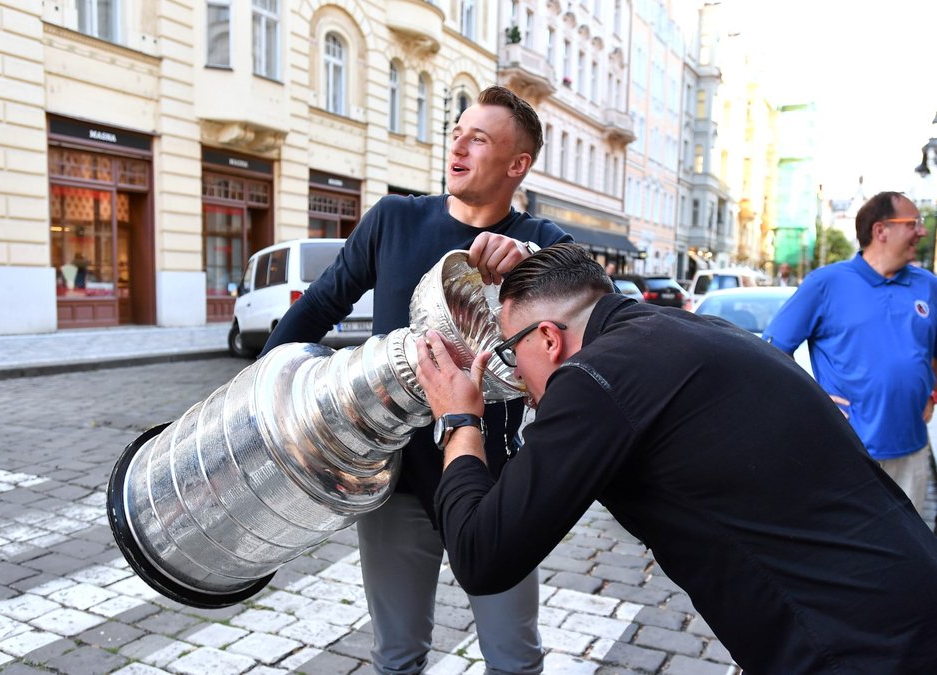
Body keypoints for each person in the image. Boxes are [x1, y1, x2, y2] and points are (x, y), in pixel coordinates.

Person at [415, 243, 937, 674]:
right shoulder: (695, 331)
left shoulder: (597, 374)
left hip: (854, 644)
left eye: (509, 351)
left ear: (548, 338)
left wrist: (460, 420)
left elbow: (482, 555)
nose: (516, 378)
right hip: (901, 597)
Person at [259, 86, 571, 674]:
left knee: (514, 659)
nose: (458, 143)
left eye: (478, 137)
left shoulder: (545, 244)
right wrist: (260, 396)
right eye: (456, 131)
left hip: (498, 485)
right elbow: (318, 307)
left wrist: (525, 259)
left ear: (517, 164)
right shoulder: (394, 220)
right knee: (397, 658)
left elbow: (583, 321)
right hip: (394, 482)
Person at [763, 191, 937, 516]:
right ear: (880, 230)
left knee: (909, 553)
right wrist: (812, 400)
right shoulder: (826, 283)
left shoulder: (928, 286)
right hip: (847, 451)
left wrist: (933, 391)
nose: (922, 232)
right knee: (849, 552)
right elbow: (771, 353)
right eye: (913, 223)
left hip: (912, 451)